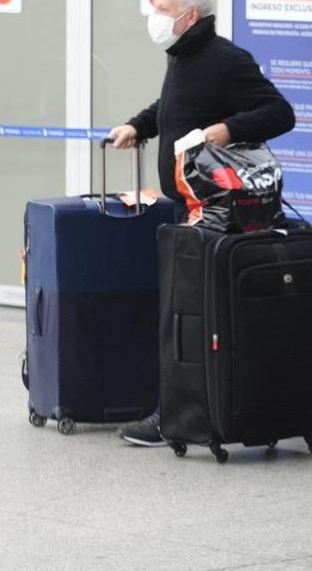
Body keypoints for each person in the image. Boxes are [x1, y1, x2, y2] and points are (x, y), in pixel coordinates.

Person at [108, 0, 294, 447]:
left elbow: (280, 113)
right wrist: (140, 124)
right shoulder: (182, 56)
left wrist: (225, 130)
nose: (155, 15)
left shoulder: (227, 60)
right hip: (184, 205)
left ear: (190, 14)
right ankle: (183, 409)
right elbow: (176, 108)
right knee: (182, 315)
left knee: (190, 317)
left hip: (217, 215)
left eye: (164, 6)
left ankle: (175, 416)